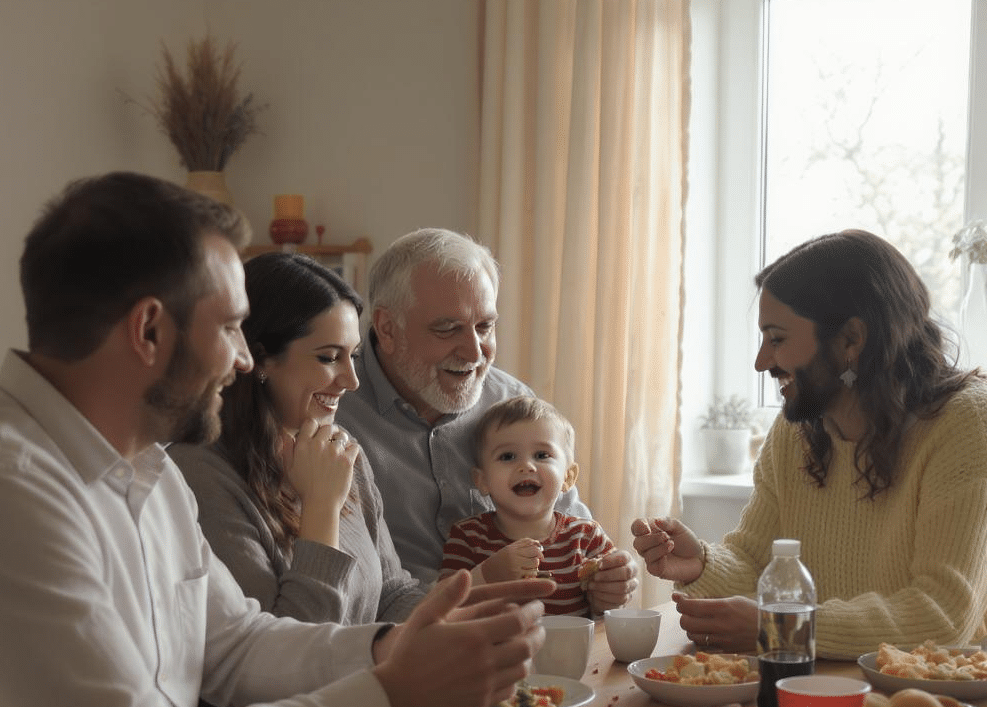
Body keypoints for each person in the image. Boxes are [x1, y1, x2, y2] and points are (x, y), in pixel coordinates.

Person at [0, 173, 551, 707]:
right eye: (233, 328)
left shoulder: (145, 468)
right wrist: (391, 698)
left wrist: (393, 647)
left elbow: (235, 643)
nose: (244, 358)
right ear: (148, 331)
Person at [632, 229, 987, 660]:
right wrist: (700, 564)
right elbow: (758, 565)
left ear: (851, 340)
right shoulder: (795, 430)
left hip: (925, 694)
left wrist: (782, 630)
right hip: (811, 684)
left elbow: (943, 615)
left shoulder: (966, 422)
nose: (761, 362)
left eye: (777, 339)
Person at [335, 226, 638, 611]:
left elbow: (570, 530)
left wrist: (607, 581)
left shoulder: (513, 403)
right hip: (398, 633)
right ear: (388, 329)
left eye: (485, 326)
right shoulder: (334, 411)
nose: (475, 352)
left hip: (529, 634)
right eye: (448, 329)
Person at [170, 252, 426, 626]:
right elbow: (284, 642)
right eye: (329, 357)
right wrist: (322, 505)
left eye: (353, 356)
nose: (352, 381)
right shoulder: (200, 473)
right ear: (260, 359)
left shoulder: (338, 449)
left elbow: (391, 592)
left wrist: (466, 618)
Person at [441, 396, 616, 617]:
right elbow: (441, 608)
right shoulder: (468, 537)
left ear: (568, 476)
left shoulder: (587, 537)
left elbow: (612, 608)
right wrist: (487, 574)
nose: (526, 466)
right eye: (507, 456)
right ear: (482, 480)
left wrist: (612, 592)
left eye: (542, 455)